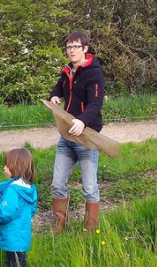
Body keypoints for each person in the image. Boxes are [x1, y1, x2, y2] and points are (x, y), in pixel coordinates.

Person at [48, 31, 106, 233]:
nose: (71, 50)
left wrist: (82, 121)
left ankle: (90, 230)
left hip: (87, 138)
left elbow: (96, 103)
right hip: (66, 137)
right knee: (57, 184)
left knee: (89, 188)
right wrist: (55, 96)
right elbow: (57, 89)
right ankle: (59, 227)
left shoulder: (94, 73)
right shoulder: (66, 71)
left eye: (75, 46)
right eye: (69, 47)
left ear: (85, 49)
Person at [0, 148, 38, 267]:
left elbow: (6, 214)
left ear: (16, 167)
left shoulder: (12, 190)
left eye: (7, 165)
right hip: (23, 230)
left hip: (12, 233)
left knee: (15, 260)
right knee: (19, 257)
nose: (4, 168)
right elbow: (33, 209)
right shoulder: (30, 188)